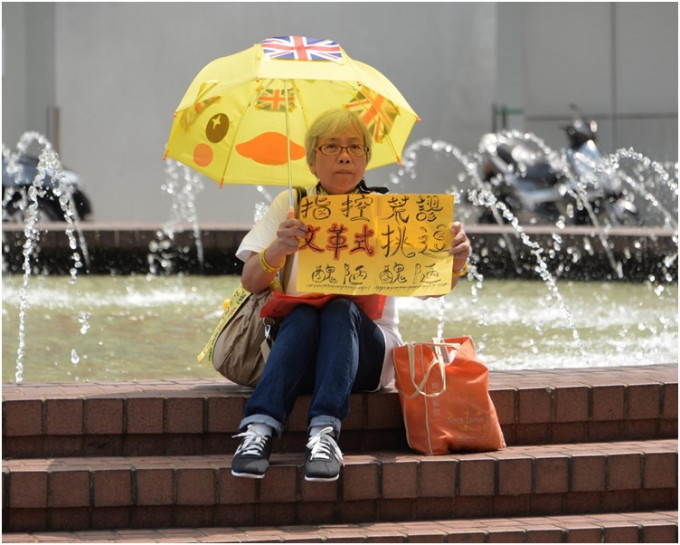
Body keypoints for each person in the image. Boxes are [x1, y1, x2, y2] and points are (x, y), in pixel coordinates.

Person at [231, 108, 471, 481]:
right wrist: (277, 250)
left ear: (364, 159)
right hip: (300, 352)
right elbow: (250, 280)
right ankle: (258, 430)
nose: (345, 155)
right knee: (306, 313)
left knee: (340, 308)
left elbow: (431, 288)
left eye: (354, 147)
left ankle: (324, 432)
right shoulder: (290, 205)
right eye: (331, 146)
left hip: (367, 358)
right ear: (311, 161)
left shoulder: (388, 212)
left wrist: (456, 262)